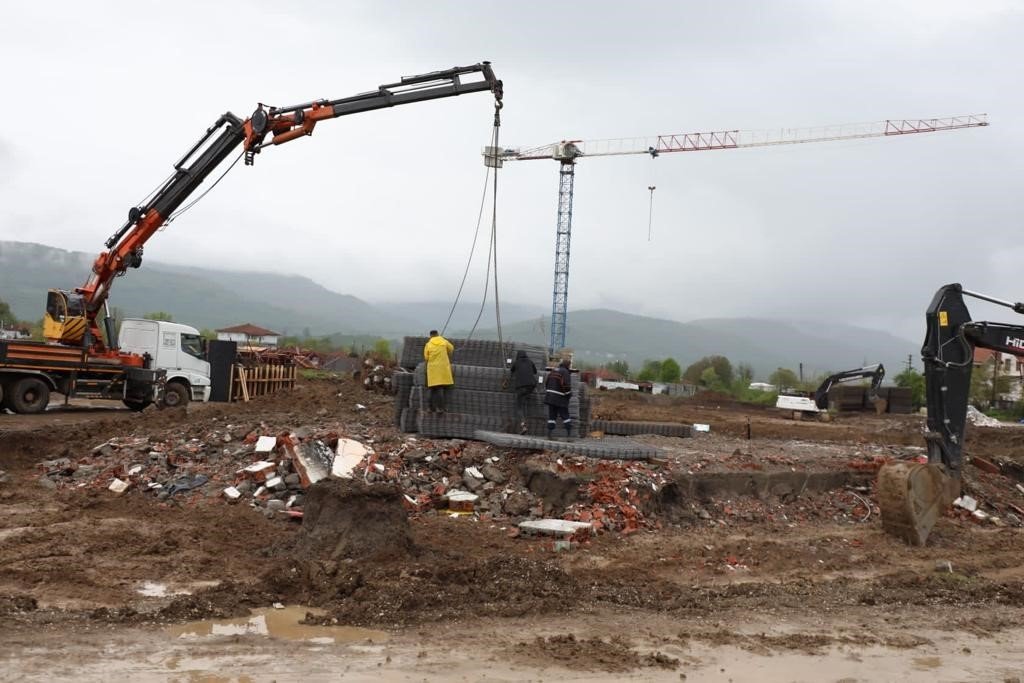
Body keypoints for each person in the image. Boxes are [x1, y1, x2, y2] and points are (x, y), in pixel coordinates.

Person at [423, 330, 454, 413]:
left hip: (432, 369)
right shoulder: (444, 341)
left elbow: (426, 357)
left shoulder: (428, 345)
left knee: (430, 388)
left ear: (431, 336)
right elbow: (451, 348)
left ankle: (429, 408)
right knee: (440, 388)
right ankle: (440, 408)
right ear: (438, 334)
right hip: (442, 369)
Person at [509, 350, 538, 434]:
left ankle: (523, 425)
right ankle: (524, 421)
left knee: (519, 407)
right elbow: (535, 372)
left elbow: (511, 371)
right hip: (531, 386)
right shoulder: (530, 361)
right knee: (524, 400)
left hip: (521, 387)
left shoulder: (516, 362)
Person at [543, 358, 573, 439]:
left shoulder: (554, 370)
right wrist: (569, 394)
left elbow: (547, 382)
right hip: (560, 397)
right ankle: (569, 436)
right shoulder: (565, 372)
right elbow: (566, 385)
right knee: (565, 416)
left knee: (552, 416)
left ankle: (549, 435)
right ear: (568, 365)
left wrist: (549, 392)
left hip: (550, 397)